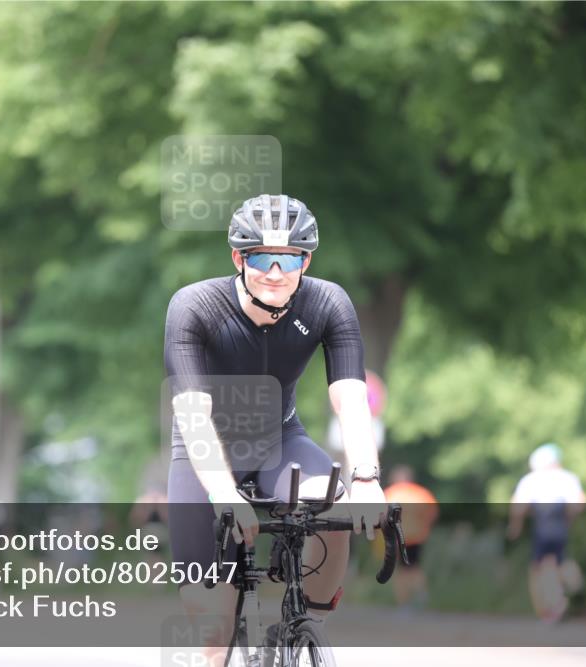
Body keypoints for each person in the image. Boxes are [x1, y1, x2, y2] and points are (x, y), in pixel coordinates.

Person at [165, 194, 385, 667]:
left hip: (279, 439)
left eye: (290, 258)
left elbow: (350, 396)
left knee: (334, 498)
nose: (276, 271)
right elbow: (191, 411)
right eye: (262, 257)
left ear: (306, 260)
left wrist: (367, 477)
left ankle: (304, 625)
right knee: (213, 631)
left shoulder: (329, 302)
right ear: (238, 258)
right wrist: (223, 491)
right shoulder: (194, 306)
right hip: (204, 447)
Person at [507, 443, 586, 623]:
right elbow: (580, 504)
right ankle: (570, 583)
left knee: (542, 566)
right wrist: (570, 519)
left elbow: (518, 506)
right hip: (560, 524)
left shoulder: (532, 479)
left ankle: (553, 605)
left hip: (542, 524)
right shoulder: (568, 478)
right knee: (558, 560)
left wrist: (515, 527)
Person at [383, 465, 438, 610]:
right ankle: (421, 594)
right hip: (417, 536)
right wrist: (424, 527)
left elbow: (381, 515)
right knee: (415, 567)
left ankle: (404, 603)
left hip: (397, 537)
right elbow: (432, 513)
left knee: (401, 571)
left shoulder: (390, 493)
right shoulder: (421, 493)